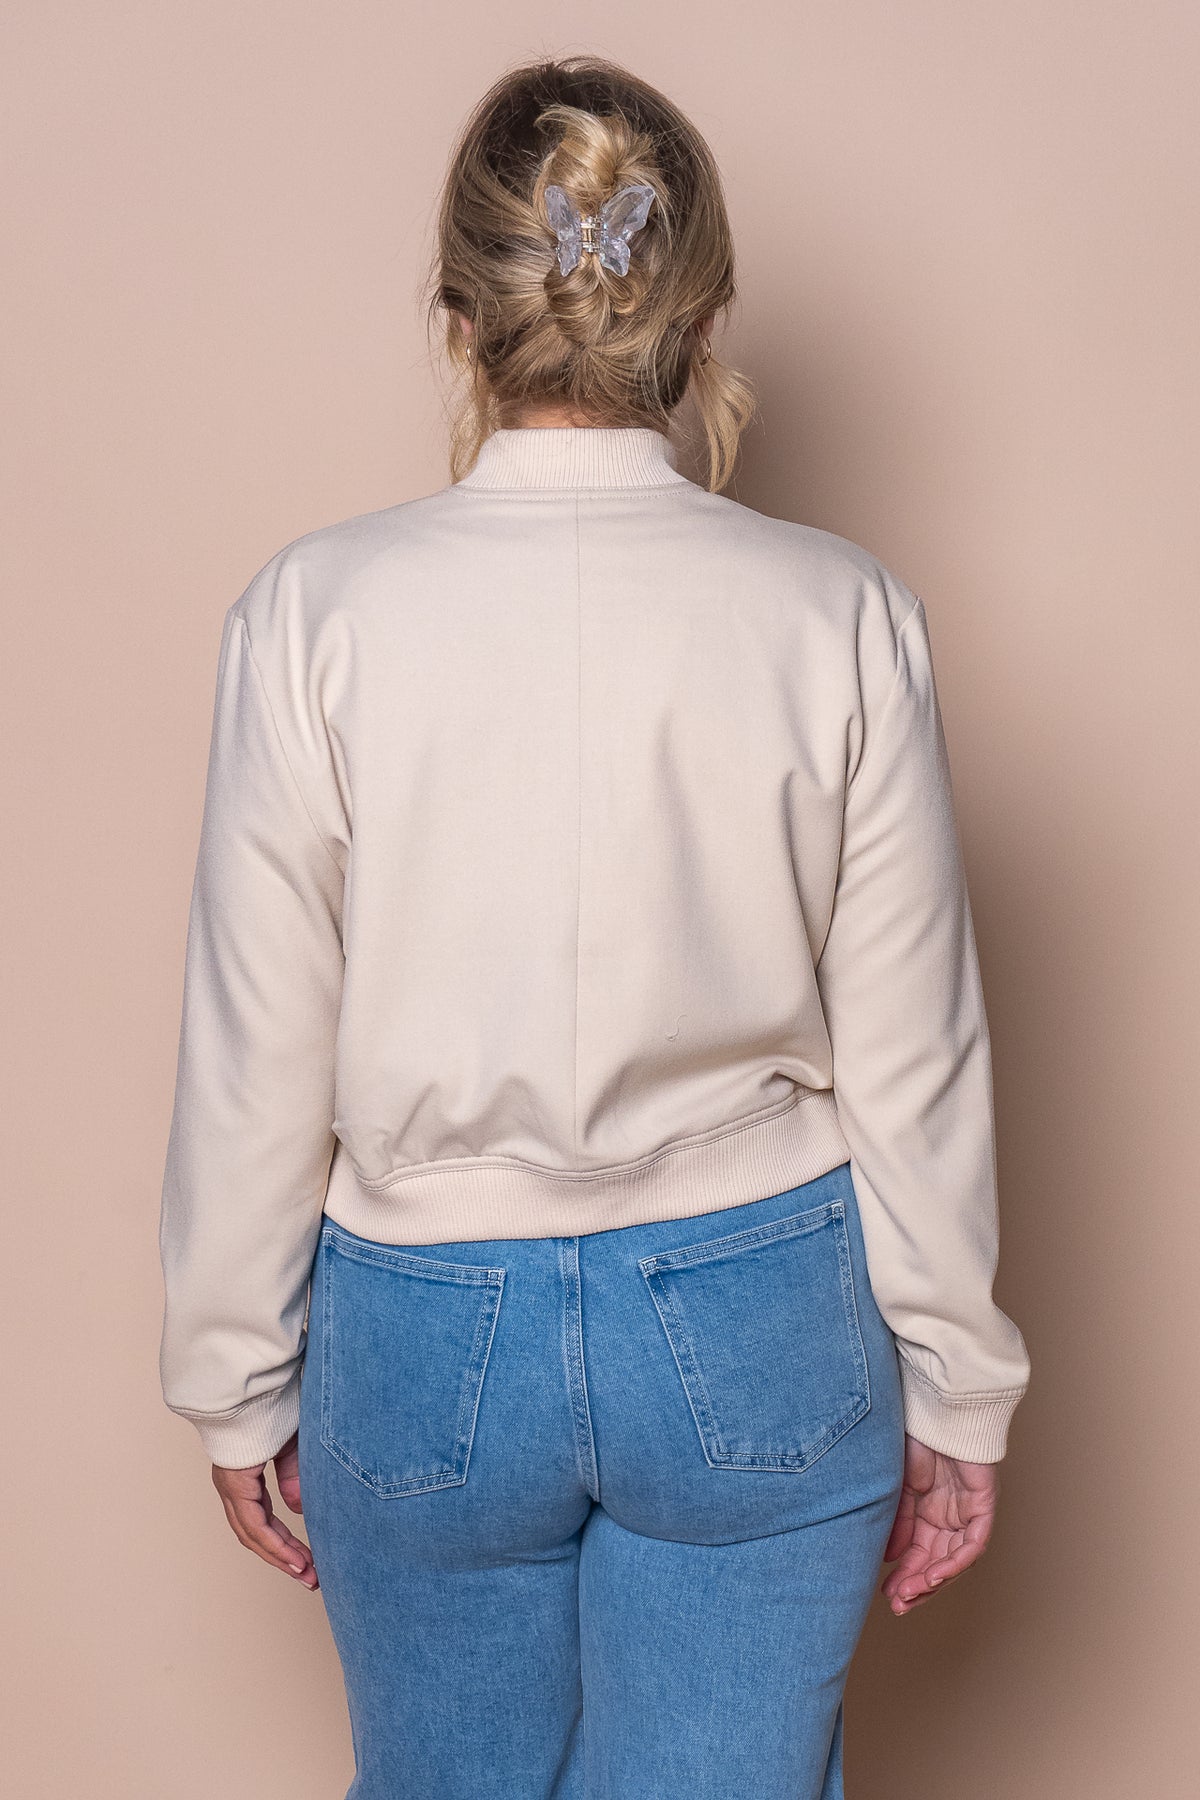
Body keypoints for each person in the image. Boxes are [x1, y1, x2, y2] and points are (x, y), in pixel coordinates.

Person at [157, 52, 1031, 1799]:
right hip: (758, 1306)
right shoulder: (841, 612)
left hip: (423, 1323)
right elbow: (914, 1047)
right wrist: (960, 1379)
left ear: (458, 319)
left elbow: (260, 1040)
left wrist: (233, 1370)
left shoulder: (312, 616)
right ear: (700, 319)